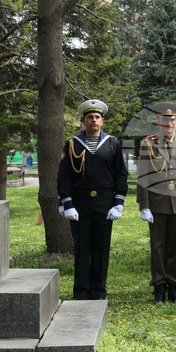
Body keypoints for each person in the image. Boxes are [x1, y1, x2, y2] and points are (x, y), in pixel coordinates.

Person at [56, 100, 128, 300]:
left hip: (105, 202)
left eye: (97, 117)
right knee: (82, 249)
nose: (93, 120)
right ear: (83, 121)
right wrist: (67, 203)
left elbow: (120, 175)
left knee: (101, 248)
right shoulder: (72, 144)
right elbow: (64, 176)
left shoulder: (113, 144)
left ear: (102, 121)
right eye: (89, 117)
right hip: (80, 202)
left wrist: (118, 202)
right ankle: (81, 291)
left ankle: (98, 291)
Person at [137, 102, 176, 303]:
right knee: (158, 247)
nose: (168, 124)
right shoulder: (148, 143)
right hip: (157, 203)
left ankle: (175, 285)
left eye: (172, 120)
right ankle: (159, 286)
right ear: (158, 121)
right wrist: (144, 205)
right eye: (164, 120)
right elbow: (143, 176)